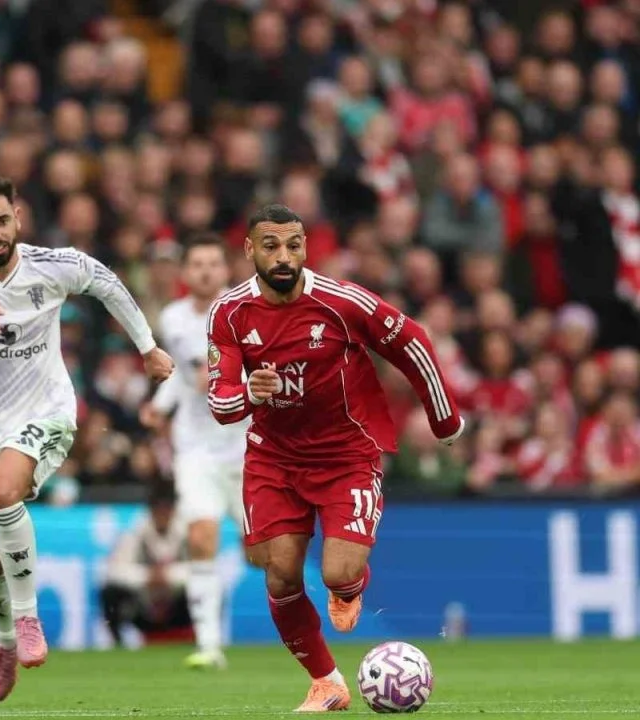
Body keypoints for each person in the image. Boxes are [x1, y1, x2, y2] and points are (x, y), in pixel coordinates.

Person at [0, 172, 174, 702]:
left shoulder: (53, 265)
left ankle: (28, 620)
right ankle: (6, 644)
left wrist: (147, 346)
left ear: (17, 217)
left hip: (46, 412)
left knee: (3, 491)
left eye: (1, 220)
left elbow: (107, 283)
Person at [206, 204, 464, 712]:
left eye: (294, 245)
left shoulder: (341, 301)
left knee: (337, 573)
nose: (284, 256)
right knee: (279, 572)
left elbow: (411, 341)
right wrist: (250, 393)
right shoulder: (229, 312)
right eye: (271, 246)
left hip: (346, 455)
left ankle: (349, 587)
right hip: (274, 458)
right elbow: (221, 403)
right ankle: (326, 682)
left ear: (305, 246)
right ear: (250, 249)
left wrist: (444, 419)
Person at [140, 234, 247, 670]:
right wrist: (159, 406)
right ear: (185, 273)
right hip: (196, 448)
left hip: (246, 446)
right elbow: (184, 379)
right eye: (197, 264)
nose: (205, 271)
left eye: (213, 264)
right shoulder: (173, 318)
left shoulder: (246, 311)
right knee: (201, 537)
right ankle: (209, 645)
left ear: (226, 270)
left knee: (263, 554)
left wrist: (228, 380)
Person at [99, 485, 193, 648]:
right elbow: (114, 571)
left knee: (207, 590)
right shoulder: (136, 531)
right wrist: (147, 576)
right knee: (110, 593)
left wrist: (168, 576)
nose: (162, 515)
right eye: (158, 510)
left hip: (176, 604)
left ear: (174, 511)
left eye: (167, 509)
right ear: (150, 510)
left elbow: (200, 570)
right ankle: (118, 644)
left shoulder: (186, 532)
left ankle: (203, 641)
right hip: (143, 604)